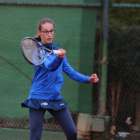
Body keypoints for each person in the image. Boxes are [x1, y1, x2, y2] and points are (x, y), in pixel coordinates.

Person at [21, 18, 99, 140]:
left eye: (51, 31)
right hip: (38, 97)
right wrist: (59, 58)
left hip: (55, 97)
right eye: (45, 31)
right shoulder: (37, 51)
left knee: (72, 134)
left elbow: (71, 73)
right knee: (35, 137)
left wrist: (88, 79)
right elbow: (50, 67)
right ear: (40, 32)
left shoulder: (57, 51)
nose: (49, 34)